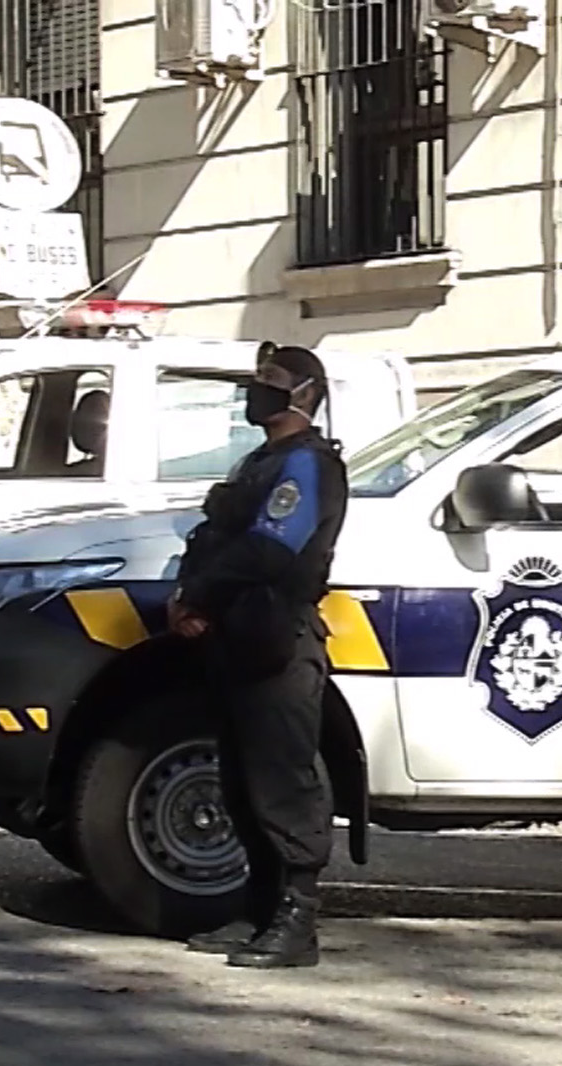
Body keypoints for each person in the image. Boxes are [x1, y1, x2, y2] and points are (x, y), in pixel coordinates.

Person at [168, 344, 348, 969]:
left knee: (282, 782)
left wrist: (200, 594)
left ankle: (297, 922)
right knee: (242, 781)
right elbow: (215, 536)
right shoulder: (259, 462)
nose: (256, 388)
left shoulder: (308, 465)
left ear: (305, 393)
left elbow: (271, 549)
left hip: (277, 641)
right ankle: (260, 907)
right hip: (236, 636)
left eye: (270, 379)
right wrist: (188, 597)